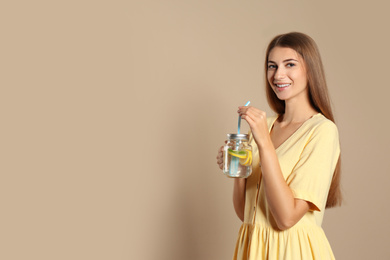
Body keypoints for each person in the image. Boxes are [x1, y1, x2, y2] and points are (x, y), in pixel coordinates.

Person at [216, 32, 342, 260]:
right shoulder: (263, 127)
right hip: (252, 247)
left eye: (290, 64)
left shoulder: (322, 131)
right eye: (272, 66)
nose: (278, 75)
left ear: (310, 70)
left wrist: (264, 144)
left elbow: (286, 218)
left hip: (292, 252)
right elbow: (245, 213)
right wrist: (237, 168)